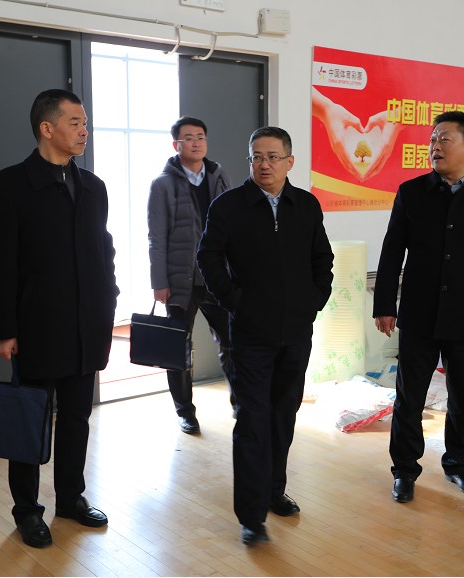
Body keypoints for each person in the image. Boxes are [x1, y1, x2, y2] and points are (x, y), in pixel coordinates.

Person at [0, 89, 119, 549]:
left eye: (85, 123)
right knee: (31, 419)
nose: (84, 130)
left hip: (87, 326)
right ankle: (26, 510)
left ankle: (71, 498)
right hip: (37, 327)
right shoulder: (8, 185)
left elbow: (104, 250)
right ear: (47, 128)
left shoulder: (94, 187)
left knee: (78, 417)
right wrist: (3, 330)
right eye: (75, 122)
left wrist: (109, 300)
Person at [373, 111, 464, 503]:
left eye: (444, 139)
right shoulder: (412, 193)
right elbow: (392, 251)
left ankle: (458, 465)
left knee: (463, 398)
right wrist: (384, 304)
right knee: (409, 398)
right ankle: (405, 471)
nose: (435, 146)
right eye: (432, 139)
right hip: (419, 314)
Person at [198, 126, 334, 546]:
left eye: (273, 157)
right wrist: (236, 302)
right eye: (257, 156)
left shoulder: (305, 205)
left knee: (283, 414)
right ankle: (252, 515)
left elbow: (322, 258)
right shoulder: (229, 206)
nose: (264, 164)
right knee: (253, 420)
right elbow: (208, 257)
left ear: (290, 162)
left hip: (296, 332)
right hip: (250, 334)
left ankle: (275, 490)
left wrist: (314, 300)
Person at [147, 116, 235, 434]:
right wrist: (160, 283)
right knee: (178, 350)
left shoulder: (219, 176)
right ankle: (185, 411)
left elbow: (234, 228)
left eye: (201, 136)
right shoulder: (162, 185)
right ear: (176, 144)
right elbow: (156, 237)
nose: (196, 142)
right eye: (189, 138)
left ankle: (241, 402)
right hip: (179, 282)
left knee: (233, 342)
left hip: (217, 277)